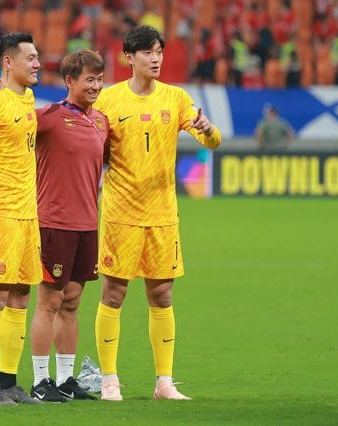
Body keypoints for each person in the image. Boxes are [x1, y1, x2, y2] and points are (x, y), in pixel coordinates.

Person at [92, 25, 222, 402]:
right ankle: (109, 380)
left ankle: (164, 382)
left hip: (163, 214)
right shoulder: (108, 100)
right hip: (120, 213)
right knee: (113, 294)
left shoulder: (176, 98)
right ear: (129, 58)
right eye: (148, 52)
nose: (156, 59)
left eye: (159, 52)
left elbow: (212, 142)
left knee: (162, 295)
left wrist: (208, 129)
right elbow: (91, 149)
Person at [29, 49, 109, 402]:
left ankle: (65, 380)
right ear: (69, 81)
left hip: (88, 225)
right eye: (89, 79)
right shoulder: (48, 118)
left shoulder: (102, 122)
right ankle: (39, 381)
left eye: (100, 79)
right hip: (54, 223)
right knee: (49, 302)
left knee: (72, 302)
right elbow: (3, 137)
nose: (96, 86)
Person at [0, 32, 43, 405]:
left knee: (20, 296)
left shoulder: (27, 98)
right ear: (8, 62)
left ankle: (10, 381)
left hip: (27, 213)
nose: (37, 64)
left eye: (37, 57)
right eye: (30, 58)